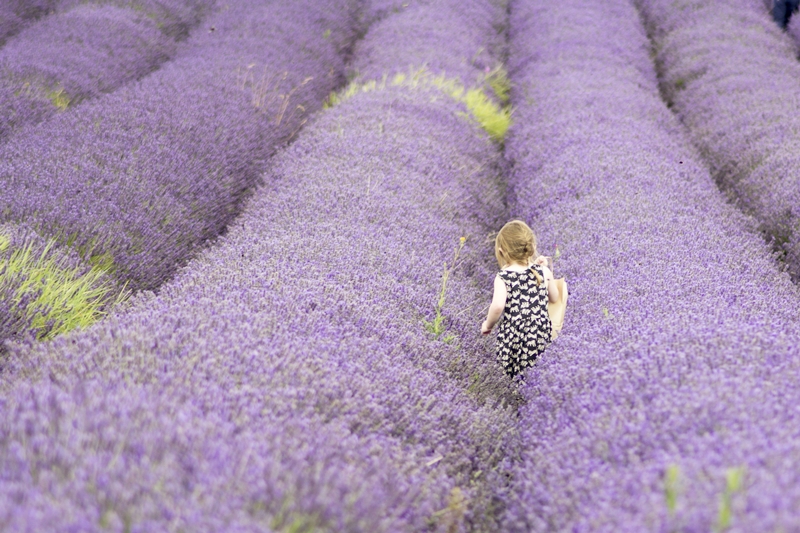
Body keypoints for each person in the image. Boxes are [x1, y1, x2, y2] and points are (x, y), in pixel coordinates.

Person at [481, 220, 560, 379]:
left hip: (514, 334)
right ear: (532, 248)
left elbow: (497, 307)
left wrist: (488, 325)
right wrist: (548, 271)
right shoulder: (543, 272)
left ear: (502, 252)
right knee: (538, 372)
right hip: (540, 333)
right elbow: (555, 297)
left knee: (512, 376)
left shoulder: (503, 276)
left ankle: (514, 392)